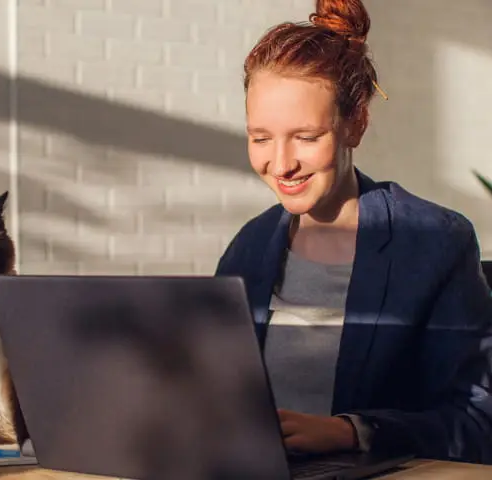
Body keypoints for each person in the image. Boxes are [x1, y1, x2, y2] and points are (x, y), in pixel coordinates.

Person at [215, 0, 492, 465]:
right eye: (260, 138)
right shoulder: (249, 246)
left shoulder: (436, 244)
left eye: (305, 136)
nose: (280, 164)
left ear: (355, 124)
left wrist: (350, 432)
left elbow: (479, 423)